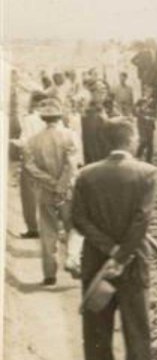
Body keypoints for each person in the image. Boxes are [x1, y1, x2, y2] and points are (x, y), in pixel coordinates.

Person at [72, 119, 157, 360]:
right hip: (133, 265)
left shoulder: (86, 175)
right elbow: (141, 220)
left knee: (97, 333)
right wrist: (122, 254)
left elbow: (78, 220)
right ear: (131, 140)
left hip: (96, 264)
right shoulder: (147, 173)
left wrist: (108, 250)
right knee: (137, 336)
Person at [24, 98, 83, 283]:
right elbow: (72, 164)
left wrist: (49, 182)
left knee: (48, 230)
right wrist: (61, 184)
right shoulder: (69, 135)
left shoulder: (33, 141)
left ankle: (49, 274)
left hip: (44, 192)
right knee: (73, 227)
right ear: (59, 116)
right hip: (67, 191)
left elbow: (30, 167)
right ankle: (72, 259)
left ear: (43, 118)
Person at [11, 91, 47, 239]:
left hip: (31, 160)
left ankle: (33, 228)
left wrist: (12, 142)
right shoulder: (50, 120)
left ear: (34, 103)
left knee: (29, 196)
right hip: (47, 160)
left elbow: (25, 141)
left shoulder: (29, 119)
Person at [81, 80, 113, 165]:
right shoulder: (89, 113)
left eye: (105, 91)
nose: (104, 94)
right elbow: (91, 143)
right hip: (96, 158)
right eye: (100, 91)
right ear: (92, 93)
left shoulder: (102, 108)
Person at [134, 85, 157, 163]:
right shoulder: (140, 101)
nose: (149, 93)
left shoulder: (153, 101)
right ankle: (137, 156)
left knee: (150, 143)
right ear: (144, 92)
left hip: (150, 124)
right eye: (147, 91)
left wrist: (154, 117)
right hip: (142, 124)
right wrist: (143, 116)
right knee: (143, 141)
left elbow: (156, 112)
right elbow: (136, 112)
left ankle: (149, 160)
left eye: (151, 92)